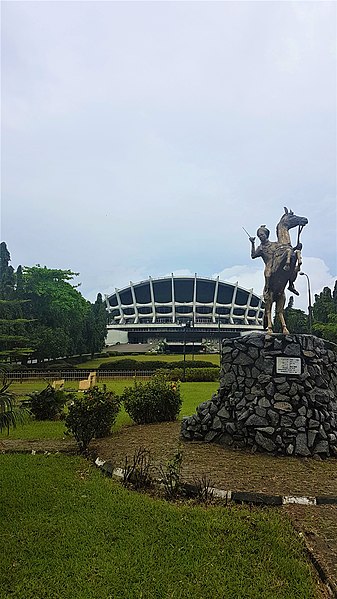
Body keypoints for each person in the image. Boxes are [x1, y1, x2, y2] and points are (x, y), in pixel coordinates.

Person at [249, 225, 299, 296]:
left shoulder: (275, 244)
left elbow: (286, 251)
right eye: (259, 236)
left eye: (262, 235)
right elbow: (253, 255)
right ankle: (267, 287)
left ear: (266, 235)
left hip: (277, 260)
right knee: (268, 274)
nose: (260, 237)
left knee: (293, 269)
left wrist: (295, 248)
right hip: (269, 264)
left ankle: (291, 284)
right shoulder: (260, 248)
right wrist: (252, 243)